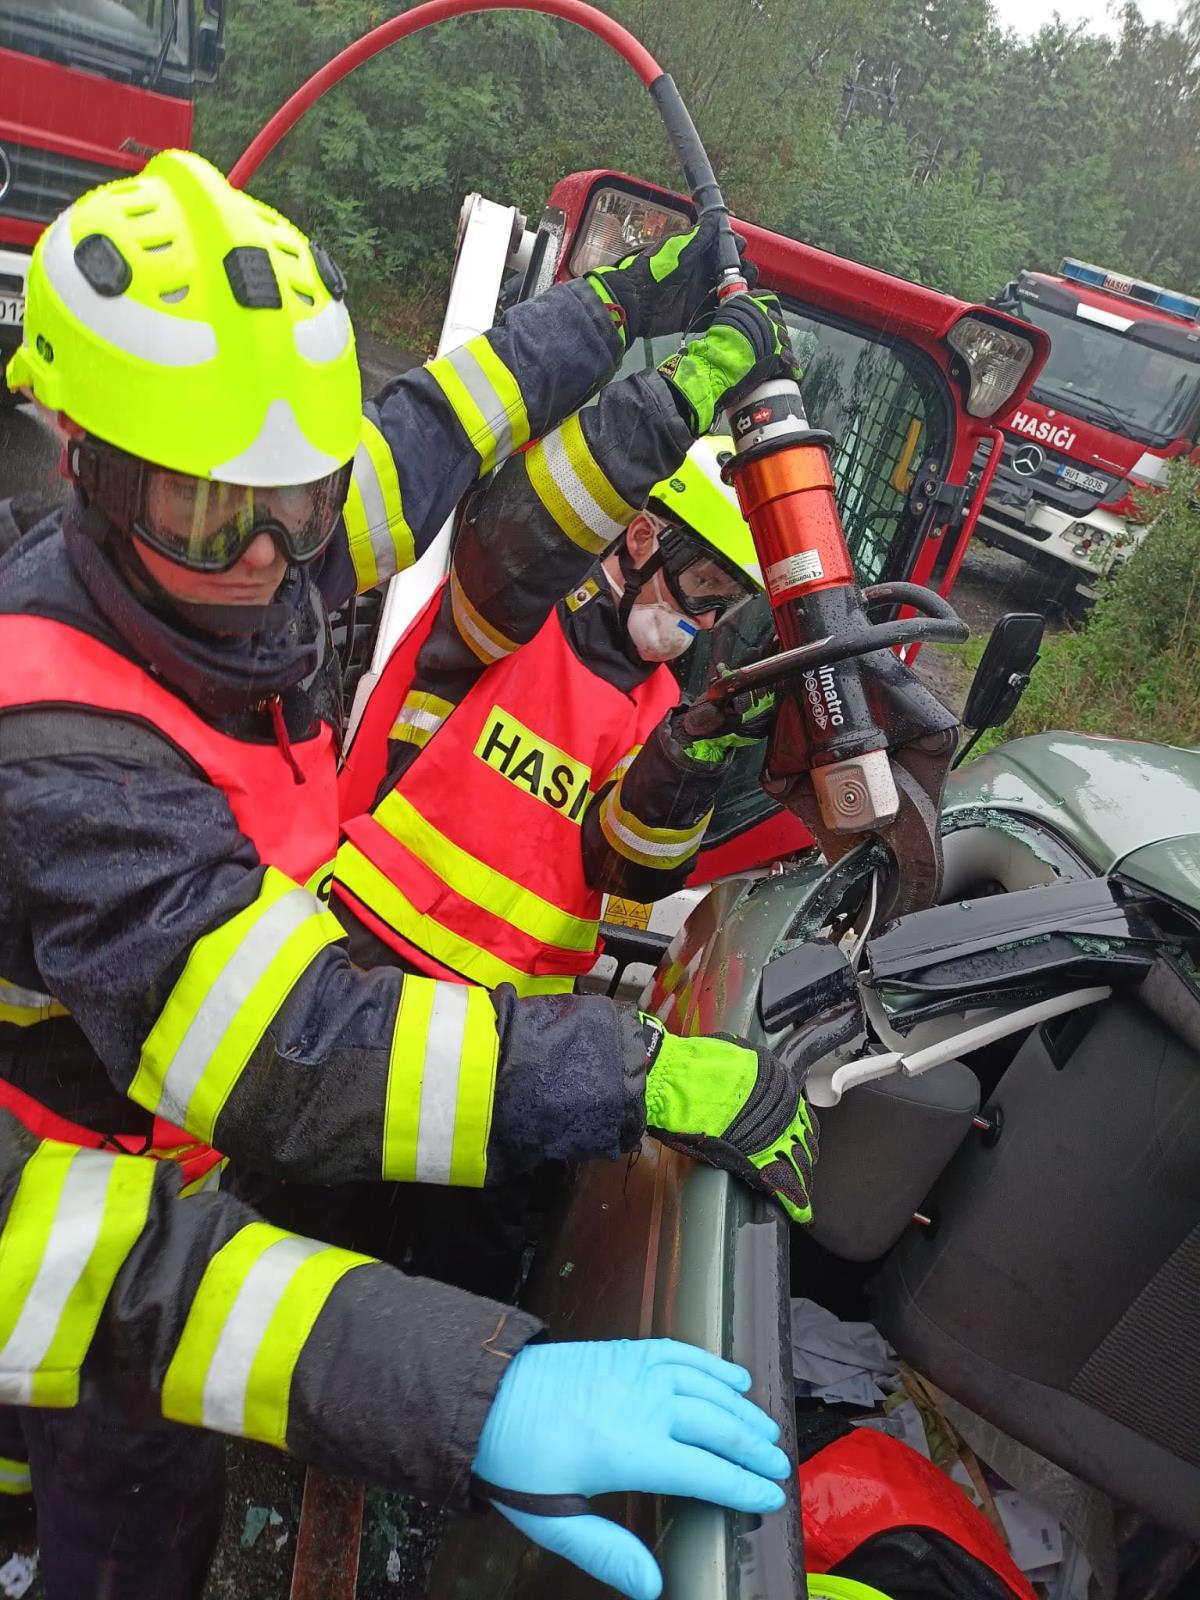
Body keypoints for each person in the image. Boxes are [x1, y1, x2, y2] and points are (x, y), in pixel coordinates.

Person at [0, 150, 816, 1596]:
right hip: (65, 1206)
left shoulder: (237, 544)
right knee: (130, 1511)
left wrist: (620, 313)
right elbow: (288, 1050)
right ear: (87, 465)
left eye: (302, 506)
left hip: (159, 1154)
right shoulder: (60, 750)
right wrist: (617, 1072)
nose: (267, 561)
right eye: (209, 513)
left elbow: (439, 427)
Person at [0, 1109, 791, 1600]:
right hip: (98, 1256)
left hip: (118, 1218)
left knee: (105, 1476)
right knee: (106, 1502)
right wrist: (455, 1391)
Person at [336, 432, 779, 997]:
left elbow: (631, 872)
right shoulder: (511, 613)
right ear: (642, 538)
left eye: (727, 601)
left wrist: (693, 758)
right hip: (373, 941)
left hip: (509, 1008)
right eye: (703, 585)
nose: (709, 619)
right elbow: (529, 510)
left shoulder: (666, 712)